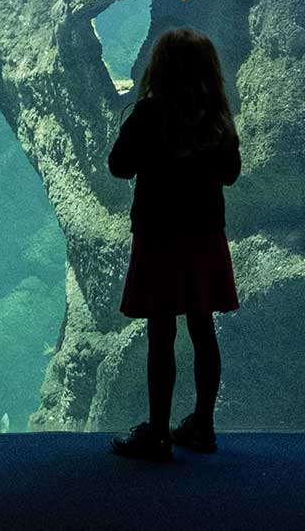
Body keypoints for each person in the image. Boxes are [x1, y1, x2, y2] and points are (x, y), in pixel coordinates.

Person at [106, 27, 243, 462]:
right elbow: (230, 173)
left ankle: (159, 432)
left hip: (159, 237)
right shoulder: (216, 116)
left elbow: (119, 166)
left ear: (157, 68)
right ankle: (203, 423)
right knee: (202, 328)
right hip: (203, 236)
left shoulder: (148, 114)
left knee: (160, 333)